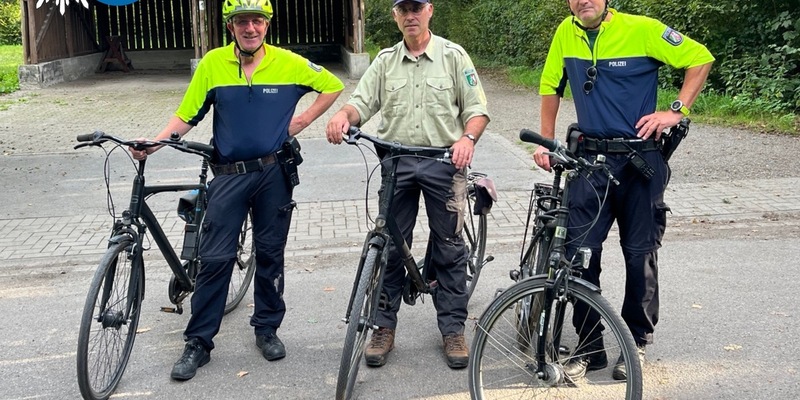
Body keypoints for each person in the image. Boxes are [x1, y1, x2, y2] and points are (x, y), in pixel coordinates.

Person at [129, 0, 344, 381]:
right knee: (214, 259)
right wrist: (155, 142)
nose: (250, 28)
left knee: (270, 252)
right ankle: (198, 341)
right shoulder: (213, 64)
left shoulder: (289, 62)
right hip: (227, 174)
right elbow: (187, 115)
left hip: (273, 173)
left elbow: (332, 85)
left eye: (257, 21)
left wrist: (303, 120)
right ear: (231, 27)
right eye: (242, 21)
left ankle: (266, 328)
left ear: (266, 25)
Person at [533, 0, 714, 380]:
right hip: (590, 164)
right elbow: (550, 85)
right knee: (578, 256)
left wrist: (676, 110)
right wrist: (547, 141)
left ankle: (635, 342)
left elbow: (700, 58)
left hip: (639, 164)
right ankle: (590, 347)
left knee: (640, 256)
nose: (584, 0)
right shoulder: (566, 32)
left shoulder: (643, 29)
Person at [325, 0, 490, 369]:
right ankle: (383, 326)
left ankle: (452, 329)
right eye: (404, 9)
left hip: (443, 162)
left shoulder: (453, 56)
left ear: (429, 10)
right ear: (396, 15)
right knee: (390, 249)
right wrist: (342, 116)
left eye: (417, 7)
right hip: (395, 161)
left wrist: (467, 139)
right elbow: (361, 104)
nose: (410, 15)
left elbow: (477, 109)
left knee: (449, 247)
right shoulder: (385, 61)